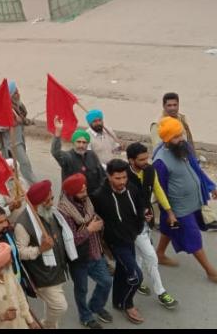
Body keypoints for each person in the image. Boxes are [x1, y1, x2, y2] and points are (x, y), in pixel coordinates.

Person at [152, 117, 217, 282]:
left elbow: (196, 168)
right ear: (166, 140)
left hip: (194, 202)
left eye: (180, 134)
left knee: (169, 229)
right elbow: (160, 191)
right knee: (193, 237)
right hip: (179, 208)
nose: (180, 139)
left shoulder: (182, 147)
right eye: (176, 137)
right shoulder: (160, 161)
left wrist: (211, 187)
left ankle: (159, 254)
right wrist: (169, 212)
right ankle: (210, 271)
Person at [14, 180, 78, 329]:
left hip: (58, 269)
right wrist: (40, 249)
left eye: (52, 198)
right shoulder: (22, 224)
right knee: (60, 306)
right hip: (43, 275)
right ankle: (46, 325)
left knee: (52, 305)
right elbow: (20, 252)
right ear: (36, 204)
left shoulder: (52, 213)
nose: (51, 203)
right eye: (47, 201)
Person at [91, 159, 147, 324]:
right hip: (116, 243)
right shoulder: (99, 196)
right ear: (108, 176)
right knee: (136, 275)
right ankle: (128, 304)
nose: (122, 182)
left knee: (123, 271)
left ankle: (117, 301)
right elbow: (92, 218)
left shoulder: (131, 189)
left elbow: (139, 207)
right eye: (117, 178)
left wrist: (142, 220)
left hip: (131, 237)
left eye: (124, 177)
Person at [125, 143, 179, 309]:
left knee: (140, 255)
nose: (146, 161)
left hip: (146, 222)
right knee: (151, 257)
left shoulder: (150, 170)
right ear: (131, 160)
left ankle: (137, 280)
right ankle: (161, 292)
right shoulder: (122, 175)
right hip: (130, 225)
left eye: (146, 157)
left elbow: (158, 190)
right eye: (141, 159)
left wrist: (169, 212)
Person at [57, 173, 113, 329]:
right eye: (80, 190)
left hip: (95, 252)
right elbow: (71, 240)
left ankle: (95, 306)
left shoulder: (87, 202)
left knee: (106, 282)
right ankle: (86, 316)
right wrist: (89, 229)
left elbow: (92, 216)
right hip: (79, 259)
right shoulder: (63, 212)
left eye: (85, 188)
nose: (85, 192)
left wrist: (98, 223)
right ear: (71, 192)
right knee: (81, 289)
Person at [0, 82, 38, 184]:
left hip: (20, 141)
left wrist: (27, 121)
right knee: (24, 164)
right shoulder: (4, 109)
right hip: (12, 145)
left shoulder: (19, 105)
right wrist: (10, 124)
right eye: (15, 93)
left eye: (18, 92)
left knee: (18, 167)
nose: (18, 94)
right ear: (10, 95)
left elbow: (22, 118)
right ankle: (34, 185)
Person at [51, 116, 106, 196]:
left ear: (87, 144)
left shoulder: (92, 155)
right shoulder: (68, 157)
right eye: (78, 142)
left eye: (84, 143)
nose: (81, 145)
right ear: (73, 143)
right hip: (72, 200)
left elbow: (102, 175)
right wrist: (58, 132)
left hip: (92, 198)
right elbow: (55, 152)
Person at [0, 159, 26, 223]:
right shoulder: (0, 188)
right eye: (8, 170)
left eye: (13, 170)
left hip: (26, 219)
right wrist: (11, 207)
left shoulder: (22, 182)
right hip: (10, 222)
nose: (11, 174)